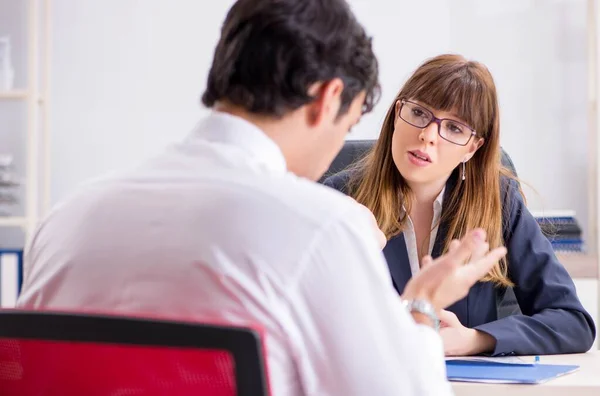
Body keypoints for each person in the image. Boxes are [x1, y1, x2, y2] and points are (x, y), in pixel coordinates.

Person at [16, 1, 507, 395]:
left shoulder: (65, 219)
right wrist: (420, 306)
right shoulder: (322, 228)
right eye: (351, 120)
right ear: (327, 99)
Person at [324, 54, 596, 357]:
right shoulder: (339, 198)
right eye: (418, 112)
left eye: (454, 128)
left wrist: (473, 340)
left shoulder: (498, 202)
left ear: (472, 148)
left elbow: (572, 322)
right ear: (397, 114)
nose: (427, 135)